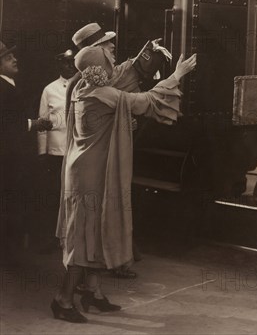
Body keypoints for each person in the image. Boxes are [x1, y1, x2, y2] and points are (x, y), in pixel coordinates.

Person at [51, 46, 196, 323]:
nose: (113, 63)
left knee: (93, 232)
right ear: (99, 67)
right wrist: (178, 74)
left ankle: (93, 293)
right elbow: (145, 101)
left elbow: (122, 82)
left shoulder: (82, 86)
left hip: (82, 169)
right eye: (109, 60)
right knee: (85, 237)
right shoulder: (104, 94)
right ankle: (63, 299)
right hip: (91, 175)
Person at [0, 41, 53, 263]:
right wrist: (35, 124)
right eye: (8, 57)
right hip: (8, 158)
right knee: (9, 202)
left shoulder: (9, 86)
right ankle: (8, 254)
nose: (14, 59)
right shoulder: (5, 89)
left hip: (9, 156)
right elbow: (8, 125)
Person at [37, 50, 77, 252]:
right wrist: (43, 151)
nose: (69, 67)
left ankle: (71, 239)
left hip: (76, 150)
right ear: (59, 65)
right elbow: (42, 122)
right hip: (56, 152)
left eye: (72, 63)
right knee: (54, 195)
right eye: (65, 63)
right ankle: (53, 238)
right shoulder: (49, 90)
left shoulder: (82, 86)